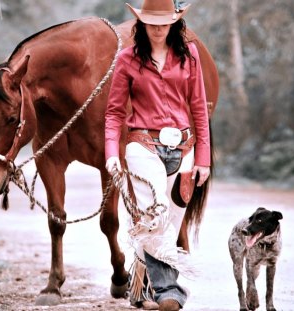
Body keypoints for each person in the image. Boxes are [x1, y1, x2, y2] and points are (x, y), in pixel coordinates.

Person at [104, 0, 211, 310]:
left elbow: (199, 109)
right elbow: (113, 113)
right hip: (142, 145)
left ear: (174, 22)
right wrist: (112, 152)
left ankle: (141, 286)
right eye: (152, 22)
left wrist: (203, 157)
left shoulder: (189, 56)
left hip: (185, 149)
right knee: (154, 213)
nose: (159, 27)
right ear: (142, 23)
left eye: (164, 21)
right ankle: (169, 293)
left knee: (169, 224)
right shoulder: (126, 60)